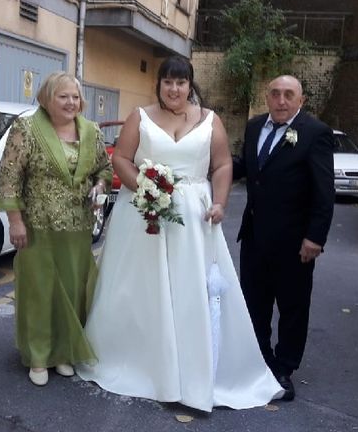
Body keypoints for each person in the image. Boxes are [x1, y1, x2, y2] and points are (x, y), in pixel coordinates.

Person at [77, 56, 283, 412]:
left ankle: (192, 366)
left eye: (181, 82)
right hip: (144, 218)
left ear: (191, 85)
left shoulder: (210, 120)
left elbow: (222, 165)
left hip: (194, 219)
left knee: (192, 290)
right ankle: (143, 362)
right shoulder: (139, 118)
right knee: (141, 288)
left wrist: (220, 203)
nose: (174, 89)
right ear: (158, 84)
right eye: (167, 82)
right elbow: (122, 160)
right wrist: (142, 187)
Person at [0, 72, 112, 386]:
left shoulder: (90, 131)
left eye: (75, 97)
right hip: (37, 227)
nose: (71, 102)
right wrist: (15, 222)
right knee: (39, 292)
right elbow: (9, 178)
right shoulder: (27, 128)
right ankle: (38, 356)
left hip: (78, 228)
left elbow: (104, 168)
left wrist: (100, 188)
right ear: (47, 98)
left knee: (73, 293)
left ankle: (63, 353)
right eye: (63, 96)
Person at [233, 75, 335, 400]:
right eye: (275, 94)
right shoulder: (253, 127)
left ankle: (284, 368)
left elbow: (324, 191)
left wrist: (315, 237)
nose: (281, 100)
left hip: (295, 243)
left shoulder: (314, 133)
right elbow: (246, 167)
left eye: (288, 95)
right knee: (254, 303)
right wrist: (204, 165)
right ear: (267, 96)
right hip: (254, 237)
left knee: (292, 307)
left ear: (300, 100)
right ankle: (259, 358)